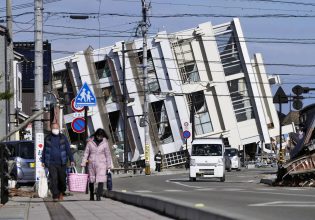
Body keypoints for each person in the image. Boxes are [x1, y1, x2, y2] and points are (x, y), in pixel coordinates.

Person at [42, 123, 74, 202]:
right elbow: (44, 150)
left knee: (62, 179)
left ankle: (61, 192)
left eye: (56, 128)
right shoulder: (48, 138)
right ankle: (55, 195)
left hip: (62, 162)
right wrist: (43, 161)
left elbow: (68, 149)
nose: (55, 129)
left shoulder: (63, 137)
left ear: (59, 128)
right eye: (54, 128)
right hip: (51, 162)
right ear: (51, 128)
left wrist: (72, 159)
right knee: (54, 179)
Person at [81, 128, 112, 201]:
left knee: (101, 180)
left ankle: (98, 196)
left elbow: (108, 154)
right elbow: (86, 153)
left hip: (102, 164)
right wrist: (83, 163)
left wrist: (109, 165)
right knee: (91, 180)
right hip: (92, 163)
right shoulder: (90, 142)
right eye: (98, 136)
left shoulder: (105, 143)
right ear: (96, 135)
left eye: (101, 136)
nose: (100, 138)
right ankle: (91, 195)